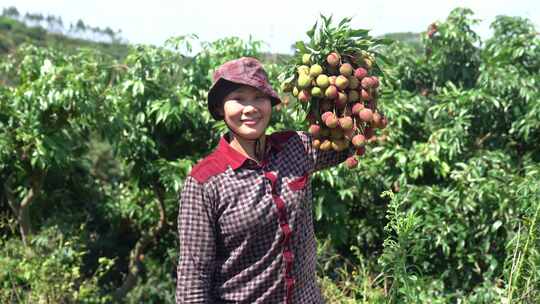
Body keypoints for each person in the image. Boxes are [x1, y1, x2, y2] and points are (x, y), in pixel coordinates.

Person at [176, 57, 354, 303]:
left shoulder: (296, 147)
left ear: (271, 104)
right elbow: (194, 279)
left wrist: (342, 74)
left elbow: (350, 140)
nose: (250, 108)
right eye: (238, 98)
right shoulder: (205, 181)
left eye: (259, 97)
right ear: (220, 109)